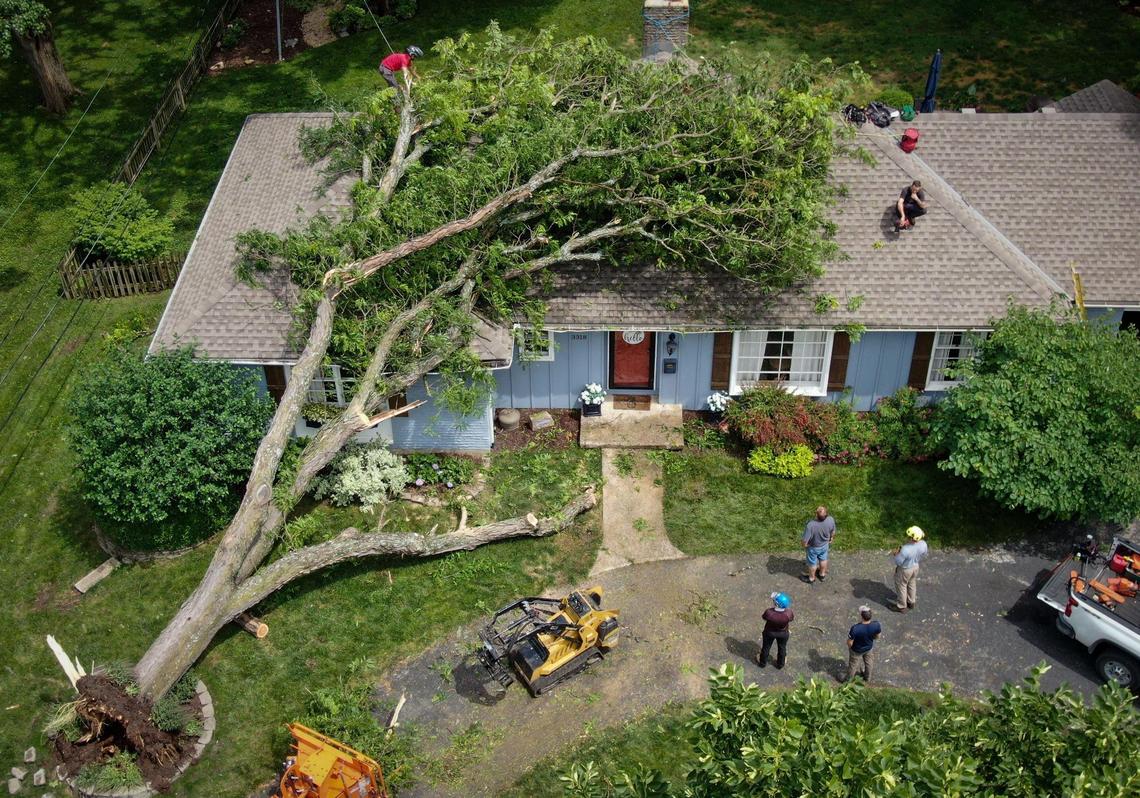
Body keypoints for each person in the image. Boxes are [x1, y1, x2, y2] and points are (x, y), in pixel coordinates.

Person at [891, 525, 929, 612]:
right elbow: (924, 553)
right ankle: (911, 602)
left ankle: (901, 606)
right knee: (912, 583)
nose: (907, 537)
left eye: (909, 536)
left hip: (905, 569)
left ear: (912, 537)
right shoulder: (923, 544)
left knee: (902, 586)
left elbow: (898, 562)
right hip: (915, 567)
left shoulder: (905, 549)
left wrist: (896, 553)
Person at [845, 605, 882, 682]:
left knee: (853, 665)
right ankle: (867, 678)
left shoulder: (855, 628)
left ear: (861, 616)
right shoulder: (876, 625)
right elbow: (878, 636)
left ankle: (847, 680)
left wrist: (851, 648)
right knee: (869, 663)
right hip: (869, 648)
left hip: (856, 650)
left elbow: (849, 642)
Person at [757, 592, 794, 669]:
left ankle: (762, 663)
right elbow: (791, 619)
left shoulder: (769, 612)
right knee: (782, 648)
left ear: (776, 604)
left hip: (769, 632)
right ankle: (780, 664)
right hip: (783, 633)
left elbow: (764, 617)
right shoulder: (789, 613)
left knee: (766, 647)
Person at [801, 505, 836, 584]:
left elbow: (804, 540)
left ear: (816, 515)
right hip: (825, 545)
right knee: (823, 559)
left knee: (812, 563)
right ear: (826, 514)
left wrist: (805, 545)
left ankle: (811, 578)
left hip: (813, 548)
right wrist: (831, 538)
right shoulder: (830, 520)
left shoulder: (811, 525)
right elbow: (833, 532)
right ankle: (822, 575)